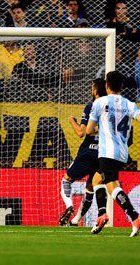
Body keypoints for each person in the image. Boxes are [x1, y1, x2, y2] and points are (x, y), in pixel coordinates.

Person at [86, 71, 140, 236]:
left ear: (107, 86)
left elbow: (89, 130)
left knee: (112, 187)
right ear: (121, 86)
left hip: (107, 152)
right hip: (122, 154)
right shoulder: (130, 104)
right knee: (97, 180)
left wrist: (99, 129)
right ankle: (102, 214)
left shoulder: (100, 102)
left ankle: (135, 217)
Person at [58, 79, 106, 226]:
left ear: (95, 91)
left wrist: (72, 120)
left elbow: (81, 132)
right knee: (90, 188)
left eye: (92, 87)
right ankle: (76, 219)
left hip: (88, 152)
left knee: (66, 180)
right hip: (103, 153)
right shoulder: (111, 108)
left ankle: (69, 206)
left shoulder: (91, 106)